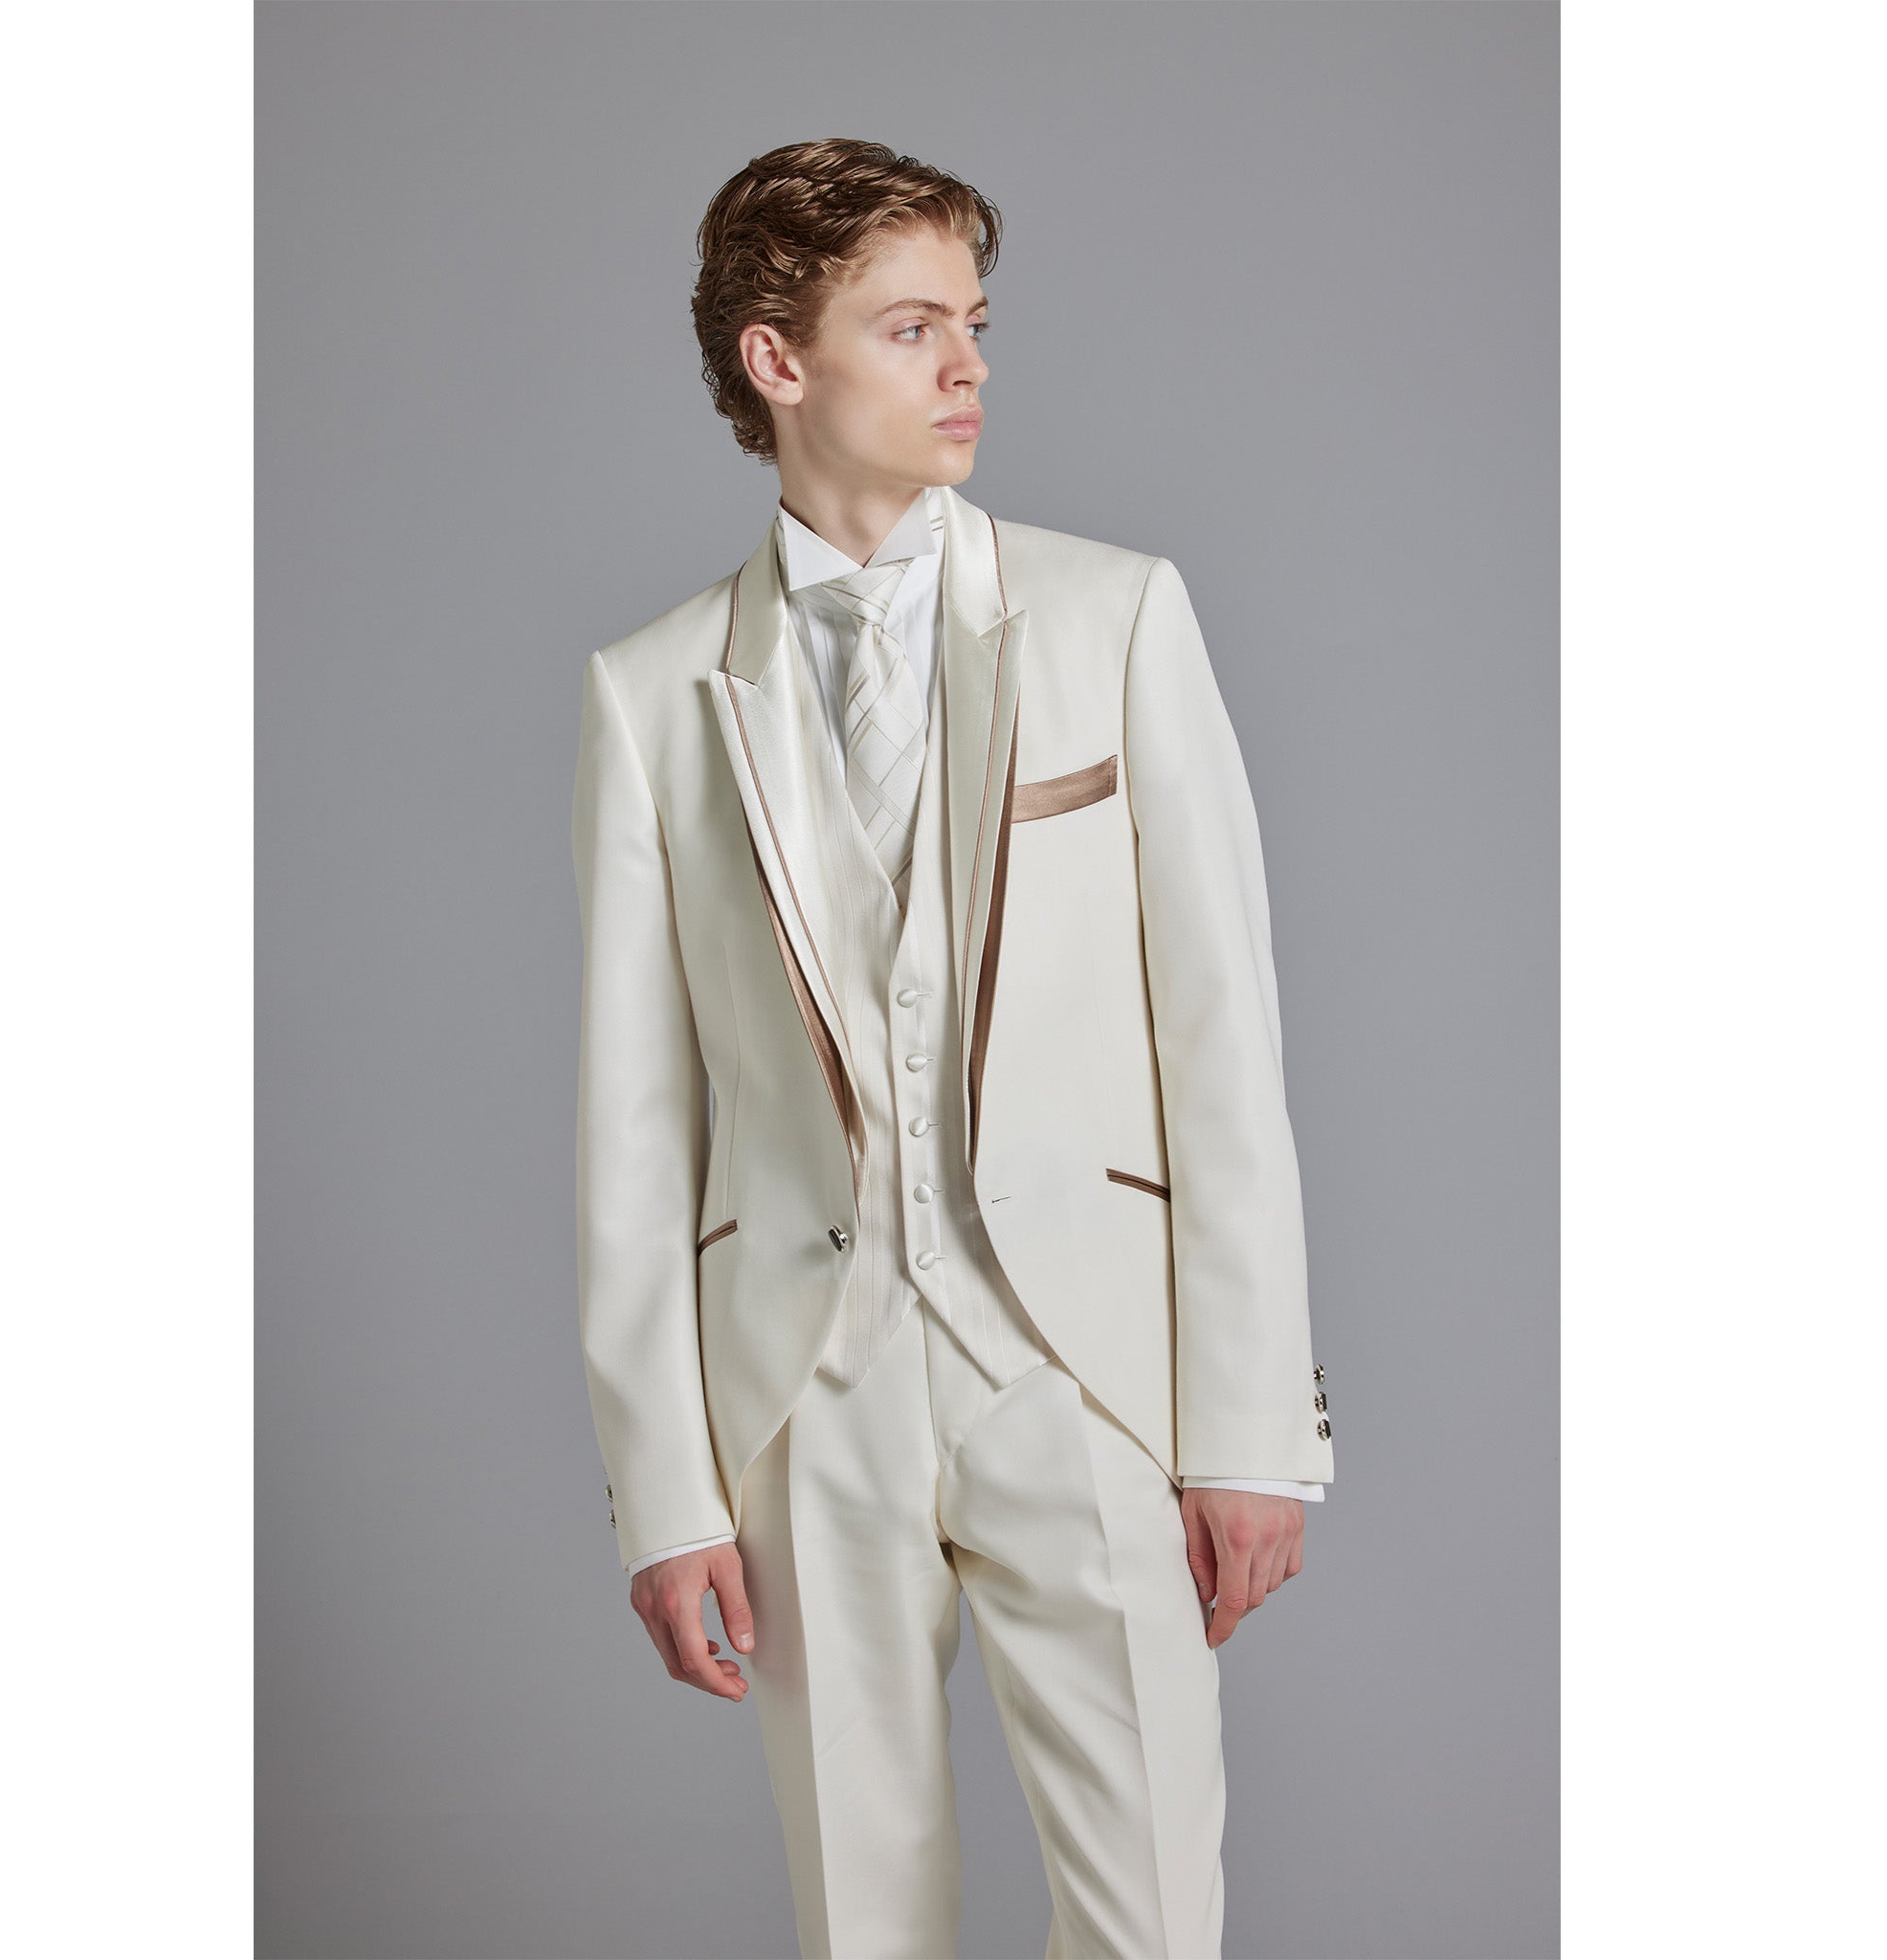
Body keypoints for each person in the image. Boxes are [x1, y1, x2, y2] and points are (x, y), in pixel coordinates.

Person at [569, 137, 1335, 1960]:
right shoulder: (654, 692)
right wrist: (664, 1496)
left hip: (1083, 1374)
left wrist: (1252, 1430)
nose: (969, 365)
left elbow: (1222, 1038)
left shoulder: (1117, 614)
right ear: (778, 360)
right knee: (867, 1927)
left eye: (973, 322)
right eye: (912, 328)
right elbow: (633, 1125)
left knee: (1152, 1924)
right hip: (806, 1396)